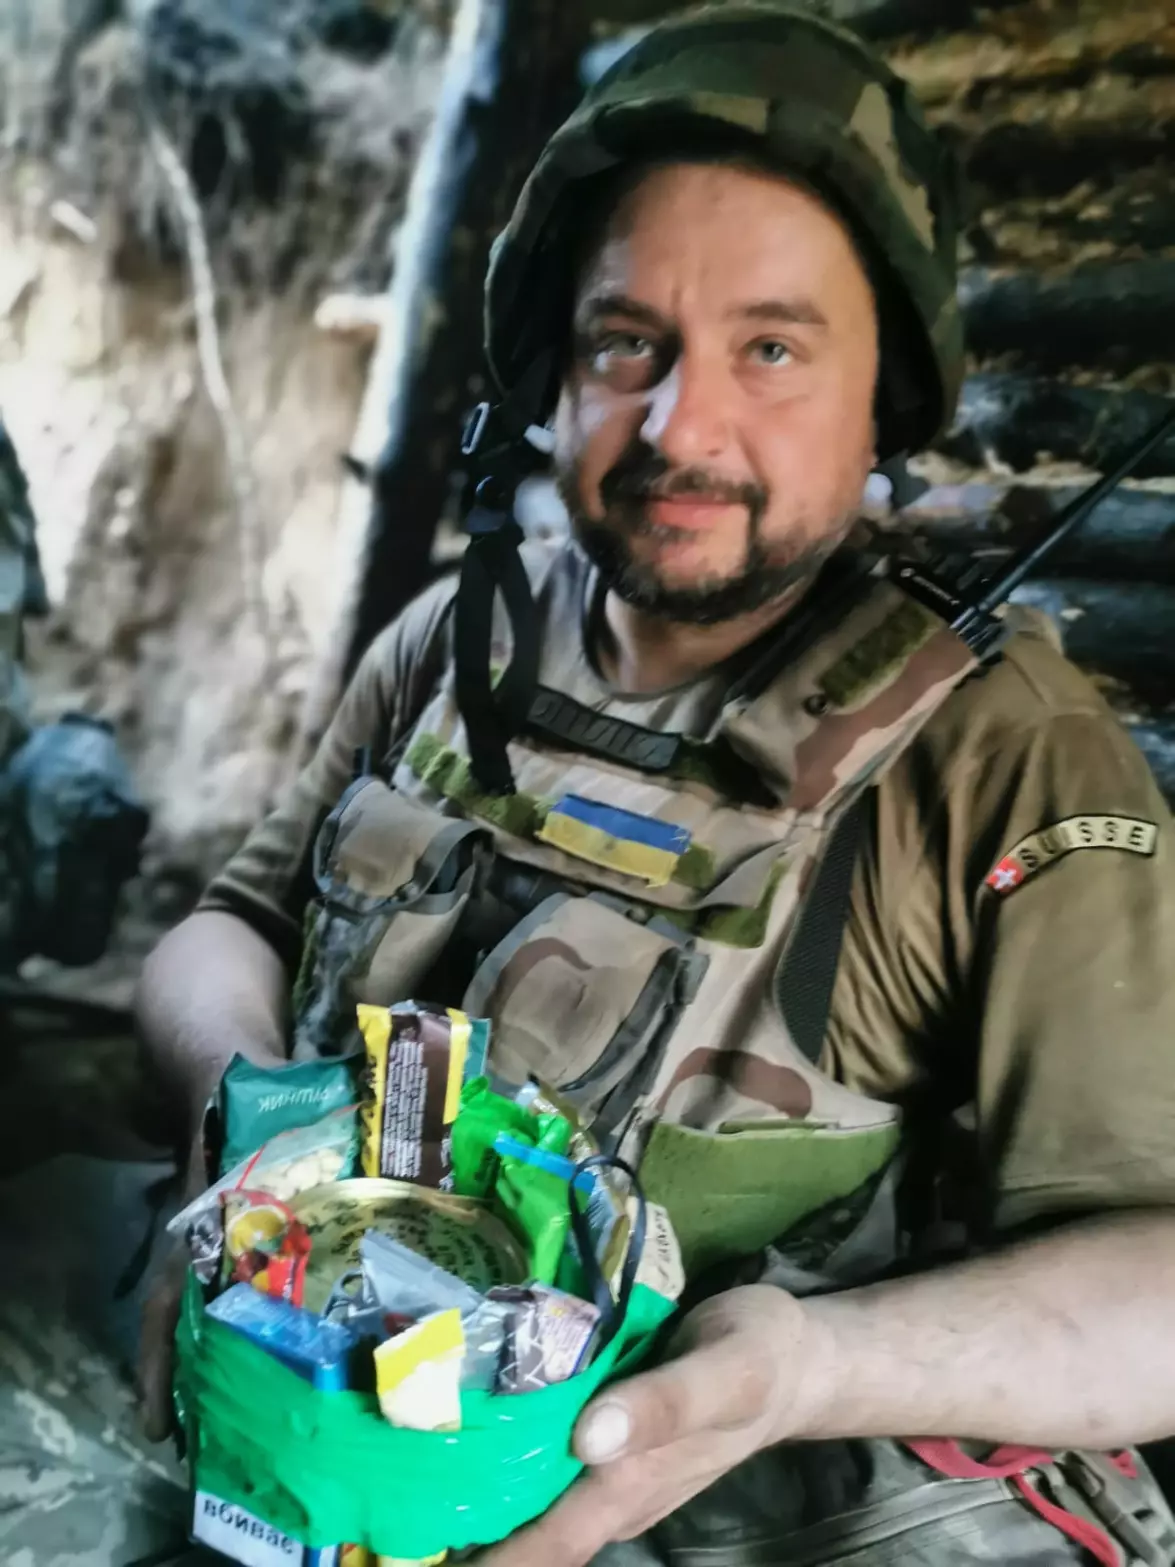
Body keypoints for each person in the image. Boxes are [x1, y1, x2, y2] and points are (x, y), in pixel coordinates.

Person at [138, 5, 1175, 1564]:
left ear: (883, 394)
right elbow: (227, 926)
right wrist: (248, 1127)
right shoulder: (456, 641)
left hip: (709, 1470)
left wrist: (808, 1366)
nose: (683, 425)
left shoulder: (1001, 757)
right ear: (553, 369)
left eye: (772, 348)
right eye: (627, 341)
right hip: (292, 1354)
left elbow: (1155, 1284)